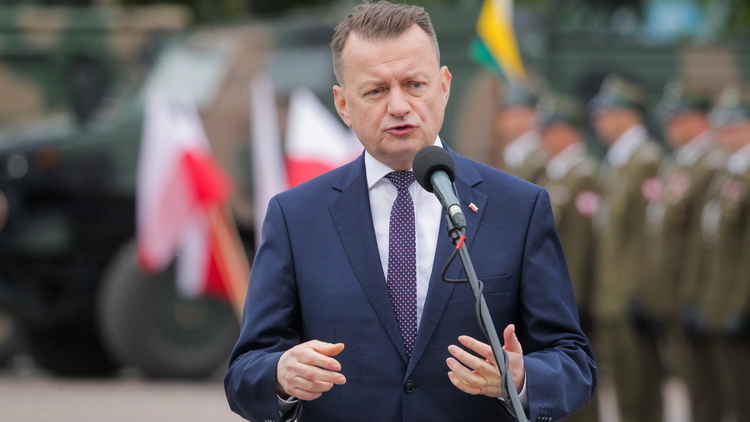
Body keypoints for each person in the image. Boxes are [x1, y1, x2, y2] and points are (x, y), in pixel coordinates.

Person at [224, 3, 596, 422]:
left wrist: (522, 377)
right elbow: (244, 371)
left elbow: (574, 363)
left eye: (415, 84)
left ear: (444, 86)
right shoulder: (296, 216)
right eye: (376, 91)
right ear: (343, 104)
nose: (399, 105)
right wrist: (280, 375)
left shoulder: (519, 208)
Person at [643, 80, 725, 422]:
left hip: (695, 294)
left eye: (679, 118)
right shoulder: (678, 164)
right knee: (693, 390)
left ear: (700, 119)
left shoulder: (712, 165)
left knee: (712, 394)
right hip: (673, 294)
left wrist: (694, 295)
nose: (670, 126)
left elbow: (702, 243)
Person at [589, 74, 665, 422]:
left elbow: (650, 237)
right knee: (623, 387)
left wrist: (642, 292)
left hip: (632, 295)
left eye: (607, 113)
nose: (599, 121)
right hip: (612, 295)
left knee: (641, 388)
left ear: (629, 115)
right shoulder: (618, 161)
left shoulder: (646, 161)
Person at [535, 93, 600, 422]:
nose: (544, 137)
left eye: (550, 129)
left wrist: (578, 297)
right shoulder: (555, 174)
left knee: (576, 383)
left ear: (570, 131)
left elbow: (583, 245)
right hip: (555, 293)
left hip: (572, 294)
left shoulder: (584, 175)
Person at [694, 85, 750, 422]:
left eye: (734, 125)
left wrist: (741, 306)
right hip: (719, 301)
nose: (725, 133)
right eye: (722, 126)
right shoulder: (728, 172)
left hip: (738, 304)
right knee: (727, 397)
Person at [497, 83, 548, 183]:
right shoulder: (510, 148)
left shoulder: (542, 148)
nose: (504, 120)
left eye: (513, 115)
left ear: (530, 115)